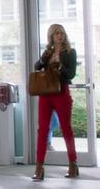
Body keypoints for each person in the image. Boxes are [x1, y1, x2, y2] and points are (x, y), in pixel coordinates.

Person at [32, 24, 79, 181]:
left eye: (61, 33)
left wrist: (60, 67)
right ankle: (39, 167)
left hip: (61, 93)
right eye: (56, 33)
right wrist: (43, 58)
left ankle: (73, 164)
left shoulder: (70, 52)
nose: (60, 35)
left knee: (66, 129)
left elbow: (71, 74)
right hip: (46, 94)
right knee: (42, 130)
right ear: (51, 36)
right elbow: (37, 67)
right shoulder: (48, 52)